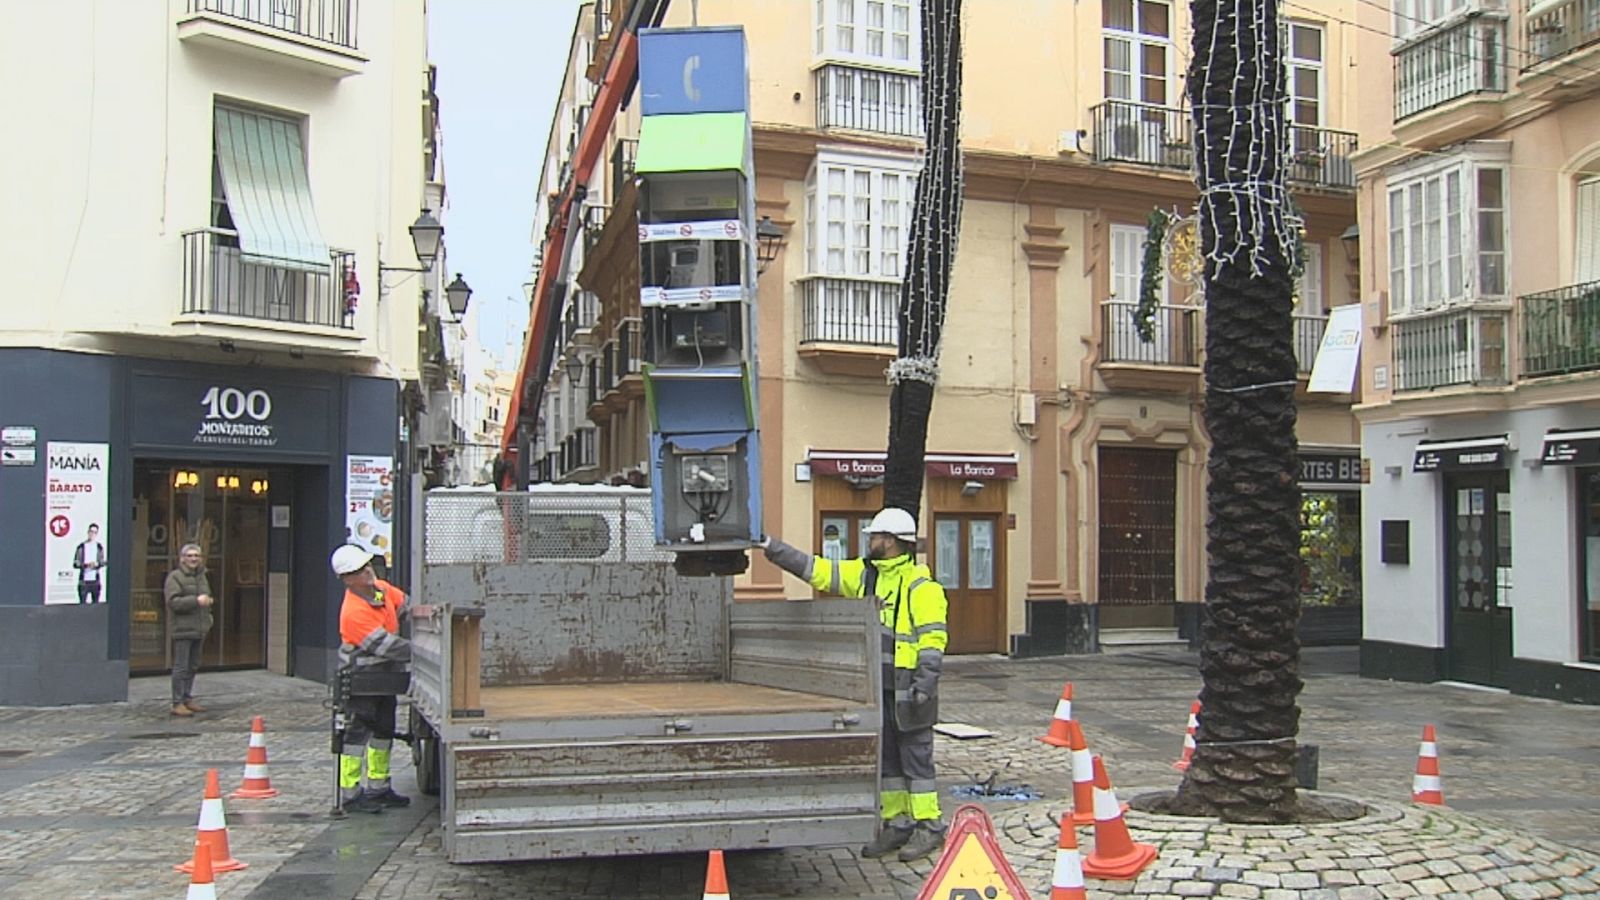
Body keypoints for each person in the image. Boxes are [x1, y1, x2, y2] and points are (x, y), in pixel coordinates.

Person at [761, 507, 949, 862]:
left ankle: (930, 825)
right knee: (889, 762)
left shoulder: (922, 586)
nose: (869, 540)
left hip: (910, 690)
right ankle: (899, 823)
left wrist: (925, 684)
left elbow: (933, 640)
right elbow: (818, 571)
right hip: (880, 688)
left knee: (917, 762)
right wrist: (770, 546)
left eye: (874, 536)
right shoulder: (867, 576)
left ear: (891, 542)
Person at [332, 543, 412, 814]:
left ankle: (379, 788)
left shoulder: (381, 590)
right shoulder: (353, 611)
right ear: (347, 579)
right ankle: (351, 794)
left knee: (383, 733)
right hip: (361, 681)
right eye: (359, 570)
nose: (367, 572)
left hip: (384, 679)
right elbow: (386, 646)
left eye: (366, 566)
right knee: (356, 738)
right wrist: (425, 650)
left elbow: (407, 605)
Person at [164, 543, 213, 716]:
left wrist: (208, 615)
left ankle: (187, 697)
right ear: (182, 558)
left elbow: (205, 596)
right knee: (181, 666)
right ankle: (177, 702)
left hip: (199, 627)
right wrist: (196, 601)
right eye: (190, 556)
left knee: (193, 665)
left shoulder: (202, 577)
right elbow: (173, 602)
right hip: (183, 628)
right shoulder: (175, 577)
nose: (193, 559)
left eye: (196, 556)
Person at [74, 523, 106, 604]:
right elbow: (76, 563)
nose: (92, 534)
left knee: (95, 604)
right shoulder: (81, 546)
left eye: (95, 532)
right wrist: (85, 565)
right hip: (84, 581)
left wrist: (97, 564)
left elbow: (103, 562)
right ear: (88, 532)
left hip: (95, 580)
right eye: (91, 531)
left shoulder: (99, 547)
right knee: (82, 604)